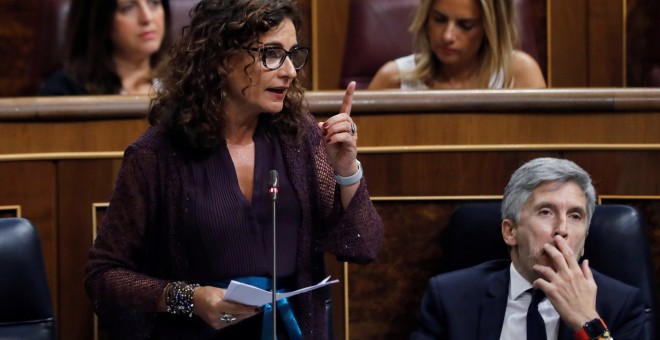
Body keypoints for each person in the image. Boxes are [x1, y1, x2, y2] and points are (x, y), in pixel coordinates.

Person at [84, 0, 384, 339]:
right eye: (272, 54)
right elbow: (104, 275)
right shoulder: (156, 156)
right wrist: (190, 299)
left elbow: (364, 245)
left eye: (293, 54)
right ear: (222, 58)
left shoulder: (302, 140)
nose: (289, 71)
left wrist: (347, 170)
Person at [411, 158, 650, 339]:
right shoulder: (451, 297)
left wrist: (587, 321)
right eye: (546, 212)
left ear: (585, 238)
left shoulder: (621, 304)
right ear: (510, 231)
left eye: (575, 216)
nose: (562, 229)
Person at [368, 0, 546, 90]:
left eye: (465, 25)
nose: (447, 36)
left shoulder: (519, 74)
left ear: (489, 28)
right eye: (439, 19)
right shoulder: (393, 79)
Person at [39, 0, 171, 96]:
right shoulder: (65, 90)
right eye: (128, 7)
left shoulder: (181, 80)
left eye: (154, 3)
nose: (147, 18)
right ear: (100, 20)